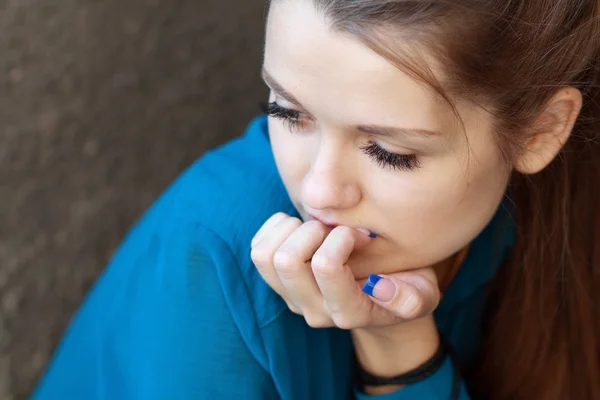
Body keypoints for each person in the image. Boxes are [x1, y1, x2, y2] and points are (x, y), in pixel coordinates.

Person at [34, 0, 600, 399]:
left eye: (388, 151)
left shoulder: (542, 218)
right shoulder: (210, 261)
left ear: (541, 131)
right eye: (285, 112)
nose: (318, 191)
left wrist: (396, 342)